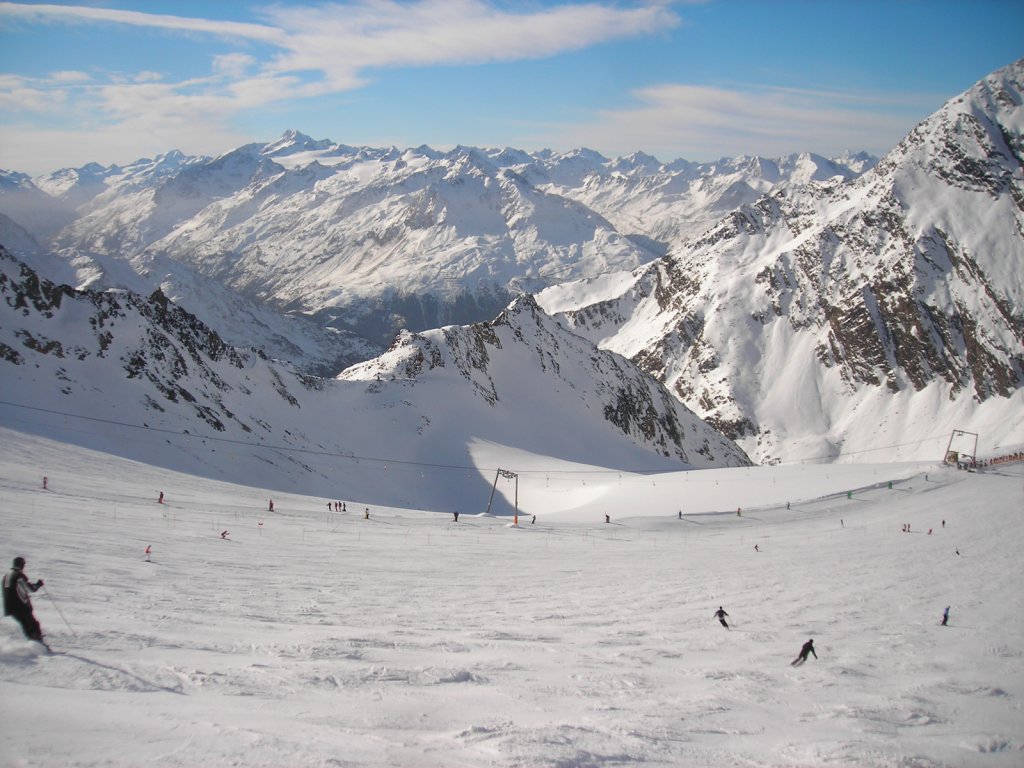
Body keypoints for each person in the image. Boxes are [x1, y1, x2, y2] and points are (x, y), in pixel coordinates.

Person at [3, 557, 46, 647]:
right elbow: (30, 589)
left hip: (9, 608)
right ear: (21, 565)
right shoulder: (18, 575)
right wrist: (38, 584)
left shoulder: (6, 576)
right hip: (21, 607)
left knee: (26, 626)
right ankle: (39, 645)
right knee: (34, 625)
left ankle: (33, 646)